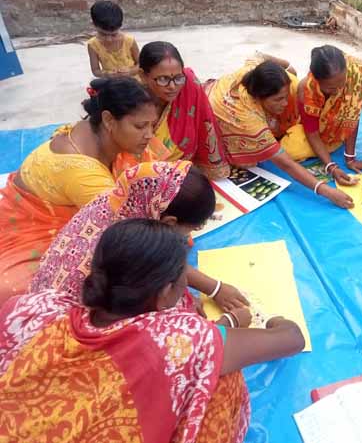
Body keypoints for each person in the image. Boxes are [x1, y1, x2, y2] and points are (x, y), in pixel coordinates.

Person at [0, 218, 305, 442]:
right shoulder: (180, 342)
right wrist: (273, 319)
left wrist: (228, 324)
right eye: (183, 276)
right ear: (164, 293)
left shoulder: (32, 309)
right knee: (221, 377)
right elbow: (291, 338)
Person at [0, 77, 156, 305]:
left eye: (152, 125)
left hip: (76, 201)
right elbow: (131, 238)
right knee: (35, 293)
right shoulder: (83, 173)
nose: (150, 134)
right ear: (108, 120)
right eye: (141, 126)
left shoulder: (93, 128)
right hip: (33, 230)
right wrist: (208, 286)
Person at [31, 160, 249, 312]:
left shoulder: (122, 200)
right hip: (71, 331)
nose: (190, 234)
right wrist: (195, 308)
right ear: (169, 222)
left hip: (40, 306)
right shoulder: (130, 248)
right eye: (193, 228)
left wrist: (215, 288)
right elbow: (158, 305)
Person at [208, 57, 354, 208]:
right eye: (278, 99)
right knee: (247, 163)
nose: (285, 103)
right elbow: (286, 164)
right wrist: (327, 191)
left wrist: (289, 66)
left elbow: (258, 56)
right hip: (215, 111)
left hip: (223, 90)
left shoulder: (259, 72)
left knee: (294, 94)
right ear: (259, 98)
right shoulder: (249, 122)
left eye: (285, 96)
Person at [131, 41, 230, 179]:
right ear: (143, 75)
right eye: (163, 79)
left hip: (181, 168)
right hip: (143, 173)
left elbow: (205, 122)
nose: (172, 86)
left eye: (178, 78)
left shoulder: (188, 83)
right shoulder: (130, 101)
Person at [281, 45, 362, 185]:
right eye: (331, 88)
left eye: (342, 84)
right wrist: (331, 166)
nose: (338, 91)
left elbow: (353, 113)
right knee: (289, 150)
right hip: (315, 131)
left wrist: (350, 158)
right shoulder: (307, 89)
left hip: (337, 131)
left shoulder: (356, 73)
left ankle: (329, 143)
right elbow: (312, 132)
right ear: (317, 80)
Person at [87, 0, 140, 79]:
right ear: (93, 25)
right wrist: (107, 74)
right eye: (103, 34)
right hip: (111, 82)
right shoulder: (93, 45)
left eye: (114, 35)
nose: (109, 39)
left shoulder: (129, 40)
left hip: (134, 81)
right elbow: (95, 71)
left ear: (120, 26)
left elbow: (141, 64)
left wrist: (130, 72)